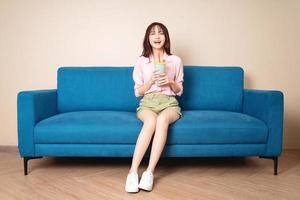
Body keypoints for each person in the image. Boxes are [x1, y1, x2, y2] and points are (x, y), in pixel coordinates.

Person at [125, 22, 184, 193]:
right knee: (150, 121)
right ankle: (132, 172)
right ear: (148, 38)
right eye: (153, 33)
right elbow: (138, 92)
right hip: (148, 102)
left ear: (166, 37)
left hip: (169, 102)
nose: (157, 36)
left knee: (162, 120)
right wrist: (151, 81)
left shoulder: (175, 61)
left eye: (161, 33)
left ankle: (149, 172)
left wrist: (169, 81)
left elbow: (179, 90)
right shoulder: (142, 61)